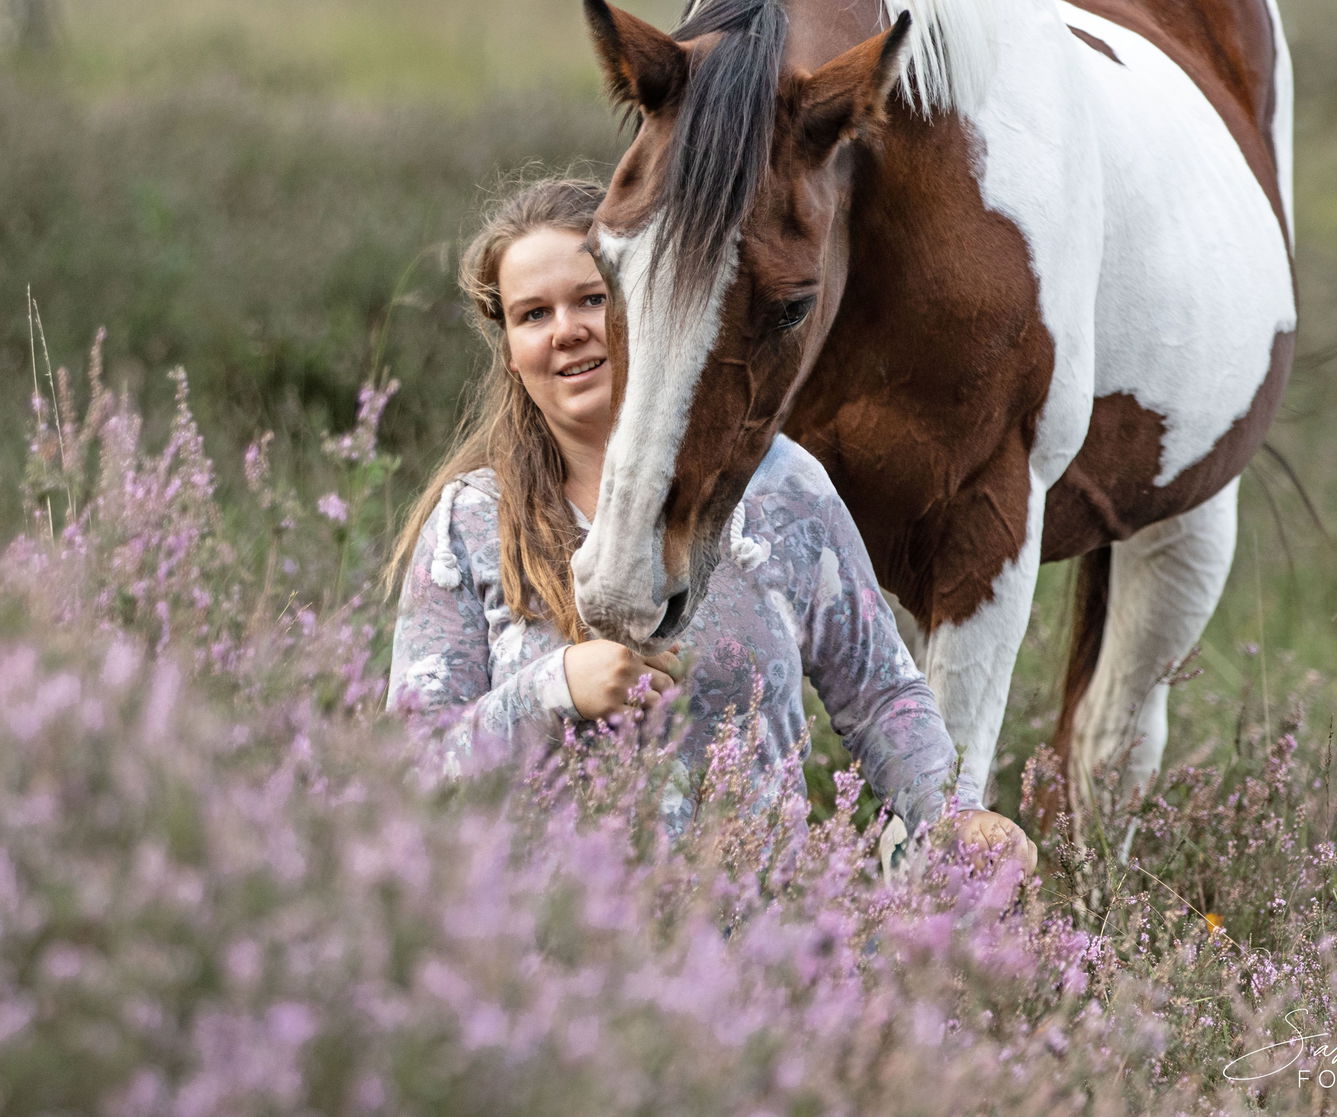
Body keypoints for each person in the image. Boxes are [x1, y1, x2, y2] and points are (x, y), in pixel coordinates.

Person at [383, 177, 1033, 869]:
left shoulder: (778, 486)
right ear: (510, 347)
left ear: (646, 304)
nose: (566, 329)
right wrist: (555, 688)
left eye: (592, 299)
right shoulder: (472, 522)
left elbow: (880, 693)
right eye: (533, 314)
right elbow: (410, 773)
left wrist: (952, 814)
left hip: (758, 946)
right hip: (547, 954)